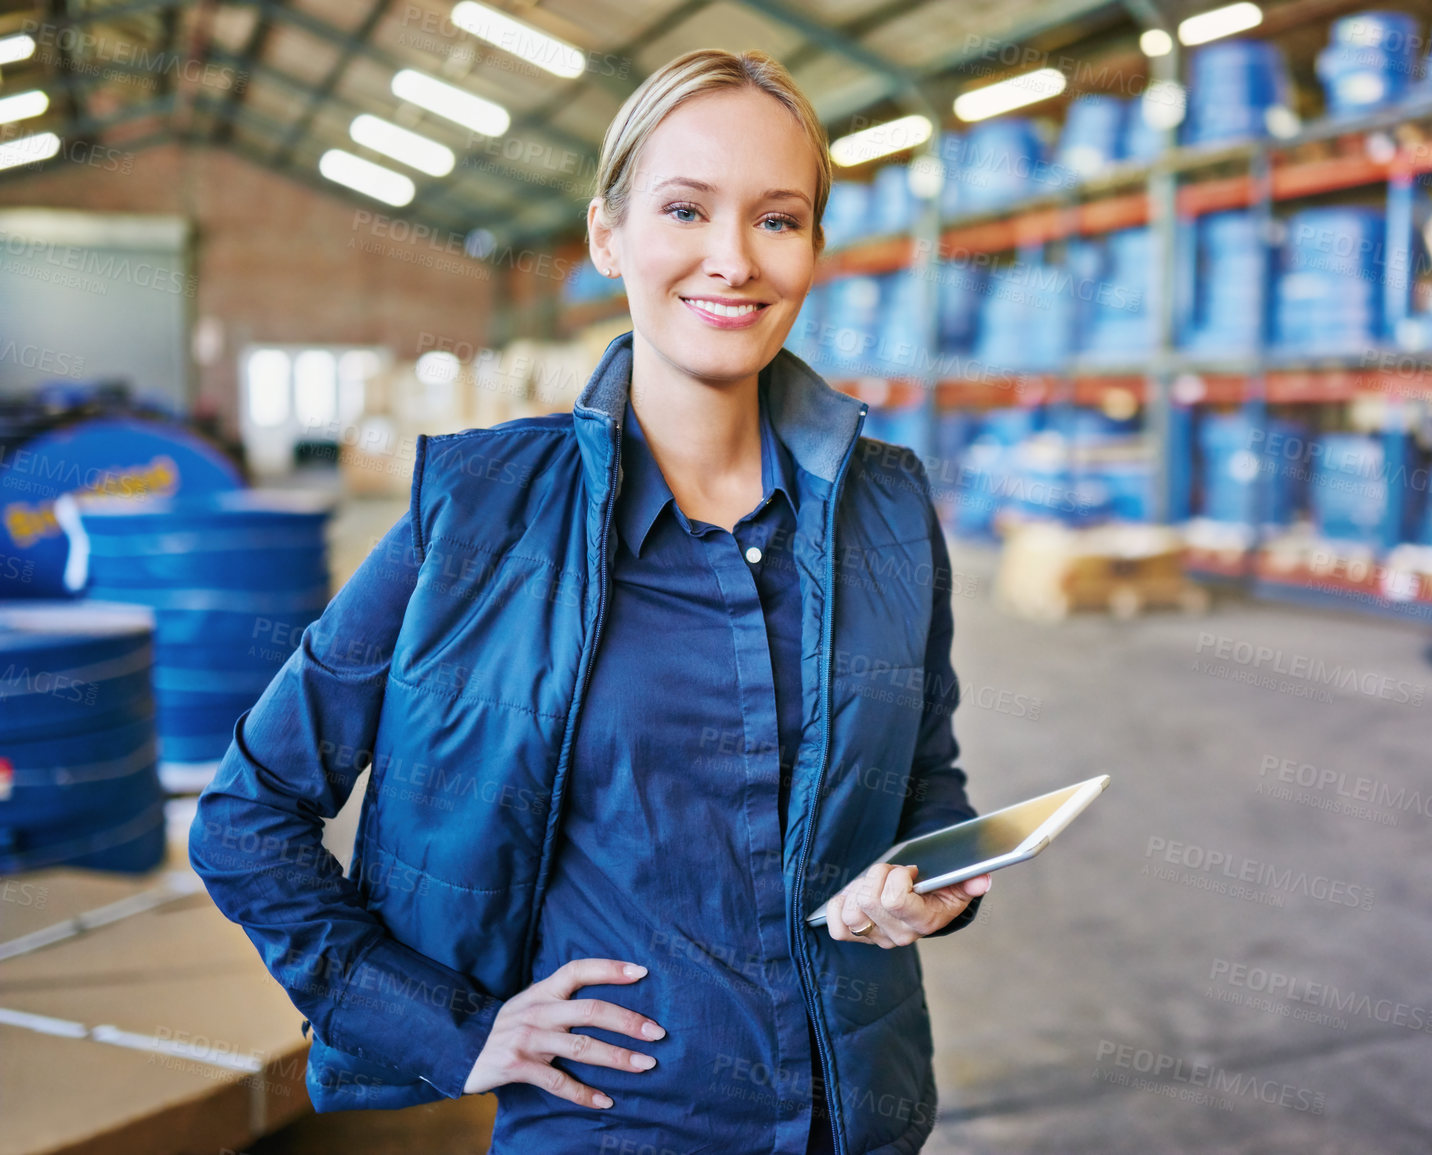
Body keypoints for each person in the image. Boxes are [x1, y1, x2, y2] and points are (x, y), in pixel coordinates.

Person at [189, 47, 990, 1155]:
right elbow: (247, 815)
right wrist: (450, 1028)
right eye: (684, 209)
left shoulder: (888, 508)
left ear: (812, 247)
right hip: (618, 1126)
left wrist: (929, 882)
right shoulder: (479, 515)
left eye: (777, 218)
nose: (731, 259)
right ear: (607, 235)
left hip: (862, 1115)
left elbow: (926, 786)